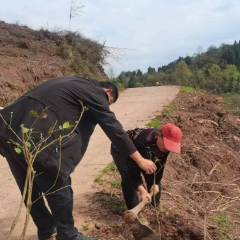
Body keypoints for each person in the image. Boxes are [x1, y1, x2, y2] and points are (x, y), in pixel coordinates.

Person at [0, 76, 157, 240]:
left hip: (7, 131)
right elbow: (113, 127)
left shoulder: (68, 81)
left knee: (29, 188)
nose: (104, 106)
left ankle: (46, 232)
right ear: (108, 91)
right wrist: (140, 160)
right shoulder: (95, 91)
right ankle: (68, 236)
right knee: (58, 184)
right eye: (108, 103)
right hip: (36, 139)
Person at [111, 123, 183, 224]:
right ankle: (135, 213)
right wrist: (142, 190)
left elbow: (160, 164)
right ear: (159, 136)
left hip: (145, 150)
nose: (167, 149)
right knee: (128, 177)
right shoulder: (143, 141)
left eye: (170, 146)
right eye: (166, 145)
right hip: (122, 149)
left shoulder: (166, 146)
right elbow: (133, 170)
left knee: (152, 173)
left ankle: (156, 205)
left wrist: (156, 183)